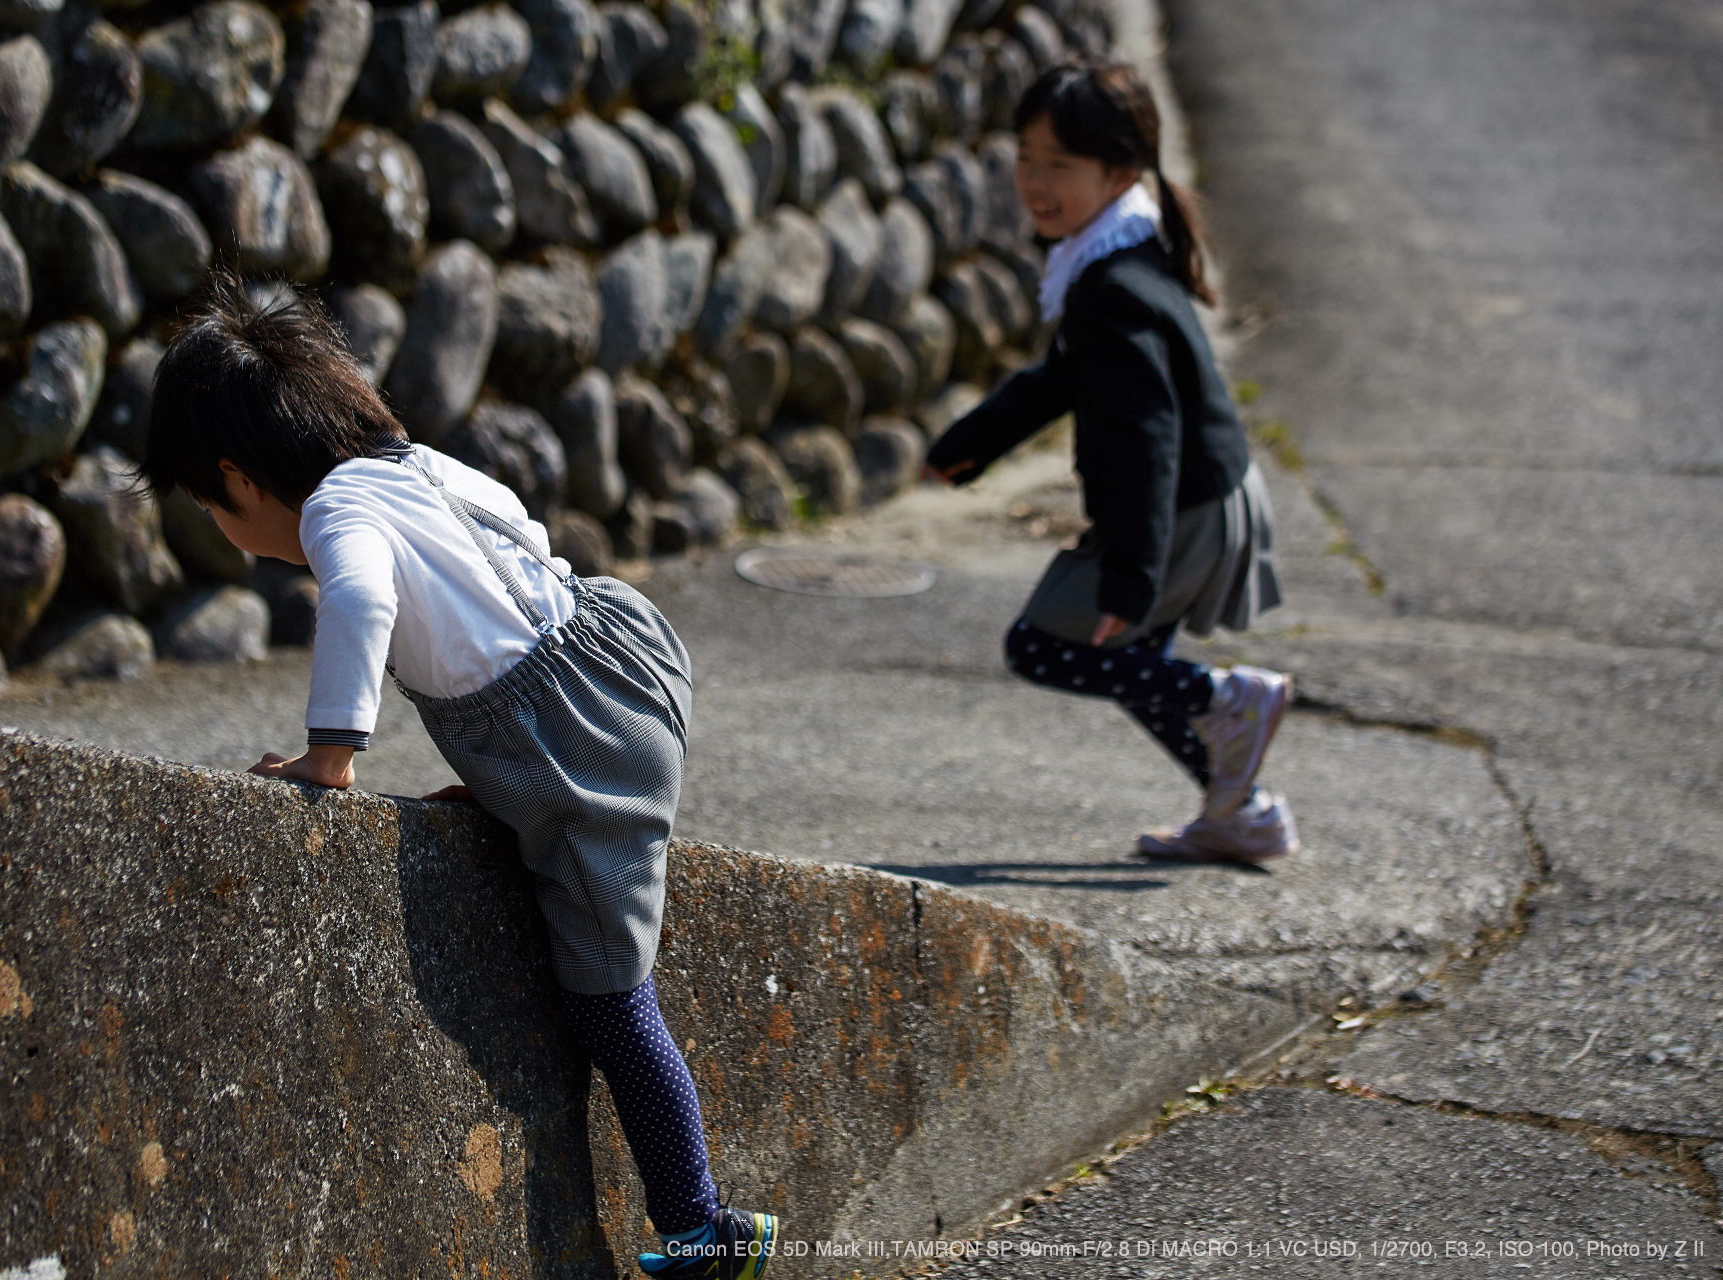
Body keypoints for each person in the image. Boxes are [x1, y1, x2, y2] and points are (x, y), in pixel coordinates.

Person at [139, 278, 778, 1278]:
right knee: (530, 791)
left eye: (207, 504)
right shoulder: (408, 464)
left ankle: (701, 1225)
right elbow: (514, 544)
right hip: (620, 648)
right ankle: (528, 798)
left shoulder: (336, 513)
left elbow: (357, 599)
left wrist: (329, 752)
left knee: (612, 1000)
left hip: (577, 736)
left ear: (238, 477)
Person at [923, 61, 1299, 863]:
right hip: (1207, 494)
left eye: (1060, 163)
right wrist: (974, 443)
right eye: (1027, 158)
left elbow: (1143, 436)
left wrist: (1132, 576)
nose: (1036, 181)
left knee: (1046, 646)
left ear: (1120, 170)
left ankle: (1227, 697)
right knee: (1133, 666)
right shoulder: (1121, 245)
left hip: (1180, 508)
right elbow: (1066, 378)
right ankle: (1245, 810)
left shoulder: (1111, 284)